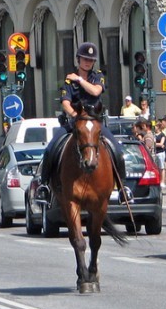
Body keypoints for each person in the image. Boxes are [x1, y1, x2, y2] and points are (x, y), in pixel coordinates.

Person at [36, 42, 125, 204]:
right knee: (51, 149)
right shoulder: (69, 82)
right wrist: (75, 116)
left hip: (94, 123)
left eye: (90, 60)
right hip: (75, 122)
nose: (88, 62)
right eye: (85, 59)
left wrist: (80, 80)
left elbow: (96, 91)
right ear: (78, 59)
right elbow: (65, 102)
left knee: (117, 150)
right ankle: (44, 187)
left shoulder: (97, 76)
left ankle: (123, 188)